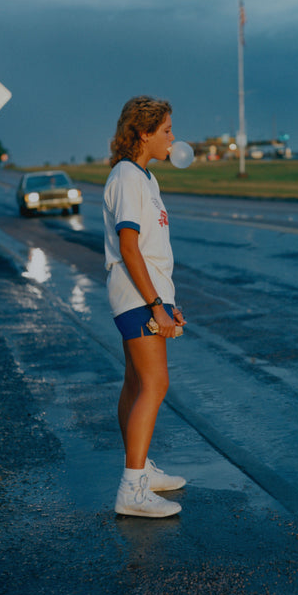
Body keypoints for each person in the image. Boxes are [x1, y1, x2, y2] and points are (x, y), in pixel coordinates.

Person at [103, 96, 188, 518]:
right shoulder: (126, 177)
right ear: (144, 132)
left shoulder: (146, 179)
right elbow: (129, 246)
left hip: (148, 295)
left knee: (137, 383)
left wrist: (167, 304)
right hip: (137, 297)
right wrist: (156, 305)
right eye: (168, 130)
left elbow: (152, 251)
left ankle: (140, 471)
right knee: (156, 384)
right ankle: (132, 489)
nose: (174, 139)